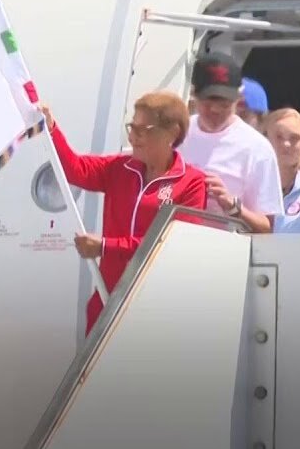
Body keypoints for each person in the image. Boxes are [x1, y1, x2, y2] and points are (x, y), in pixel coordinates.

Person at [40, 90, 207, 335]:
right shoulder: (120, 168)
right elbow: (74, 169)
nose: (133, 136)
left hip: (155, 308)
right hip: (108, 299)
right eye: (132, 127)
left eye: (143, 129)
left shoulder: (192, 182)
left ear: (172, 133)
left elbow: (173, 246)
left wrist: (107, 247)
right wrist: (51, 128)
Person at [178, 54, 283, 233]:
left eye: (224, 103)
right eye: (208, 101)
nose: (215, 109)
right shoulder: (177, 134)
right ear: (194, 94)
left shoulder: (257, 148)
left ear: (238, 99)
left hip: (225, 253)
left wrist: (233, 206)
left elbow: (267, 228)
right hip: (172, 248)